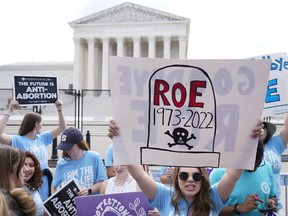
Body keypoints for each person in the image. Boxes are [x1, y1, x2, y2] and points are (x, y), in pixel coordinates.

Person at [108, 120, 263, 215]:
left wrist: (249, 139)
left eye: (196, 176)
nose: (190, 180)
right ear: (176, 178)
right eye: (184, 176)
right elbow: (140, 176)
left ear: (203, 179)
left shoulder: (213, 197)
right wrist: (120, 141)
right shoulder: (164, 196)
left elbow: (232, 175)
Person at [0, 98, 67, 201]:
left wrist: (60, 110)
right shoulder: (17, 140)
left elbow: (62, 128)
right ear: (36, 124)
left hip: (45, 181)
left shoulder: (42, 138)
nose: (42, 125)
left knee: (46, 208)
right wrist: (9, 111)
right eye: (41, 123)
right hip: (28, 181)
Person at [209, 141, 278, 215]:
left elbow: (272, 195)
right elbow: (208, 209)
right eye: (250, 165)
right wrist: (238, 208)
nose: (254, 169)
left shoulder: (266, 167)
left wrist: (271, 202)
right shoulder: (218, 173)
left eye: (258, 164)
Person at [52, 127, 107, 196]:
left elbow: (102, 182)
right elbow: (54, 185)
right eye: (64, 147)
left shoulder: (94, 157)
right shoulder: (61, 163)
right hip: (72, 205)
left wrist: (89, 190)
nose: (66, 150)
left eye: (69, 147)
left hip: (92, 203)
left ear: (79, 143)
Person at [260, 116, 288, 209]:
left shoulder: (274, 144)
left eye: (263, 126)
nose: (260, 129)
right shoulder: (244, 148)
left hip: (274, 204)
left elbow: (287, 127)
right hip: (254, 205)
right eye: (257, 125)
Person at [23, 151, 45, 216]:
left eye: (31, 165)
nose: (27, 169)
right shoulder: (12, 190)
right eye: (24, 165)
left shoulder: (33, 188)